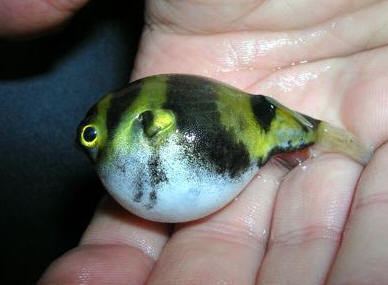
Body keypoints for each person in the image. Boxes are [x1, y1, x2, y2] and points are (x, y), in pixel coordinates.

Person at [2, 1, 388, 284]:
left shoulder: (147, 124)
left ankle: (319, 138)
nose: (88, 145)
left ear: (149, 126)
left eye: (93, 136)